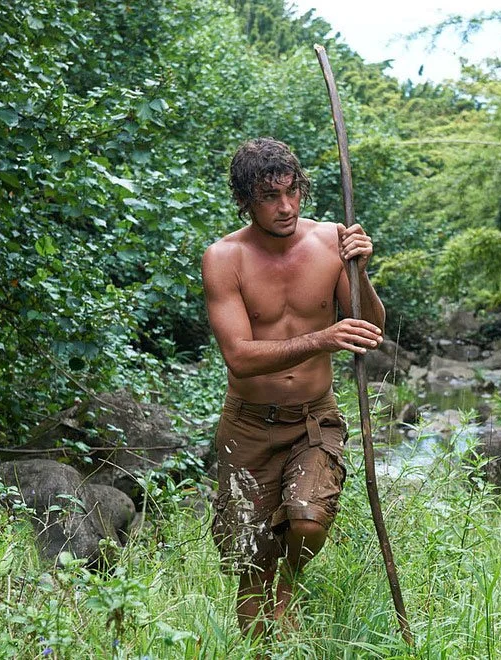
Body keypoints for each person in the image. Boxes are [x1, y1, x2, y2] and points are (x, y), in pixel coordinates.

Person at [201, 137, 385, 637]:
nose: (284, 207)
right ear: (245, 200)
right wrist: (323, 336)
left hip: (313, 418)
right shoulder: (224, 257)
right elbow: (239, 358)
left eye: (291, 192)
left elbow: (368, 327)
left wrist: (360, 273)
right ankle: (262, 635)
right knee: (249, 564)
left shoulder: (331, 241)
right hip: (248, 426)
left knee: (307, 520)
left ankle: (290, 579)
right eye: (268, 196)